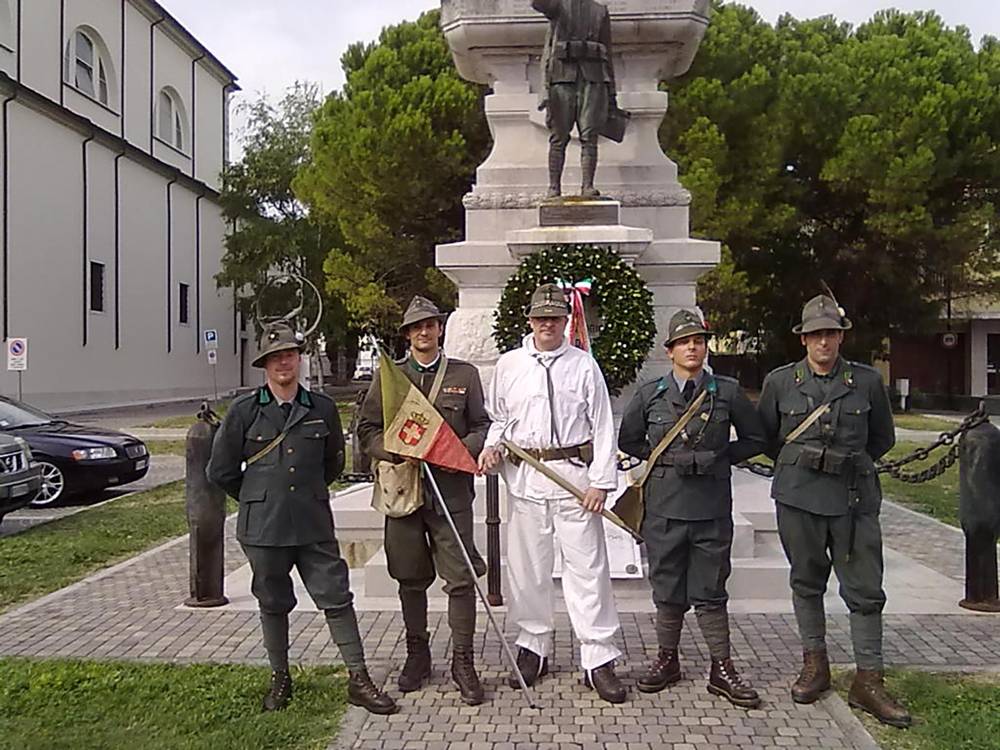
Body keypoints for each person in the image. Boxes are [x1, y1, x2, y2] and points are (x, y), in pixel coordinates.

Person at [207, 322, 397, 715]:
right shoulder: (244, 411)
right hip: (264, 526)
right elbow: (221, 470)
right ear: (264, 364)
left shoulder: (322, 408)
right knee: (273, 602)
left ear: (298, 359)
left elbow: (333, 463)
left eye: (290, 355)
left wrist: (302, 494)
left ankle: (358, 679)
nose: (283, 363)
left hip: (312, 523)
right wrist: (258, 497)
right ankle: (280, 677)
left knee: (336, 596)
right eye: (276, 357)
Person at [757, 294, 911, 728]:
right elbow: (769, 438)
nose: (824, 341)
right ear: (803, 340)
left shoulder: (864, 382)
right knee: (807, 582)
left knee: (865, 590)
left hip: (853, 499)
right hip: (800, 498)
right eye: (816, 334)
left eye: (831, 333)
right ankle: (815, 666)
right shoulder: (781, 383)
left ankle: (868, 679)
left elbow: (881, 438)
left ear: (841, 337)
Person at [479, 283, 626, 703]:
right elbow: (500, 419)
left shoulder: (583, 366)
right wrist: (493, 447)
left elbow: (602, 425)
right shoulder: (509, 365)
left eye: (555, 317)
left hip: (574, 484)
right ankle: (533, 646)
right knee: (528, 572)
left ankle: (598, 657)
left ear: (566, 321)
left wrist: (601, 481)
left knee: (588, 573)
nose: (547, 324)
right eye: (540, 317)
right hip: (526, 482)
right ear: (529, 320)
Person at [618, 309, 765, 708]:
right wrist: (664, 461)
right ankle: (667, 659)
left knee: (712, 588)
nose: (692, 347)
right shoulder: (651, 394)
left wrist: (719, 458)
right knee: (666, 585)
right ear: (671, 351)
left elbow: (756, 437)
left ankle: (722, 667)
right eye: (684, 342)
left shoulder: (728, 392)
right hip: (665, 506)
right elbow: (629, 439)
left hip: (711, 507)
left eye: (698, 340)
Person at [356, 296, 491, 705]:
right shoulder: (391, 378)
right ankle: (418, 655)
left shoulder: (464, 375)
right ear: (407, 335)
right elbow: (366, 431)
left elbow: (482, 425)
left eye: (430, 325)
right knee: (410, 578)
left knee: (461, 578)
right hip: (405, 492)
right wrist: (392, 449)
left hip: (450, 493)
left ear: (439, 329)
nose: (424, 333)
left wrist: (458, 451)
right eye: (416, 328)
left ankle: (463, 662)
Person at [532, 0, 617, 198]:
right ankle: (554, 187)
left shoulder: (600, 11)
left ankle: (587, 185)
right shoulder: (558, 6)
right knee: (558, 136)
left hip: (593, 78)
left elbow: (608, 53)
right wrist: (544, 90)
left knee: (590, 136)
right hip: (561, 78)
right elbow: (538, 4)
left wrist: (612, 92)